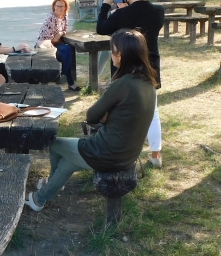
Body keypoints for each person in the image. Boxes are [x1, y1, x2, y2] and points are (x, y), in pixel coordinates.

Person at [24, 29, 157, 211]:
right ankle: (41, 197)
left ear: (121, 54)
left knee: (53, 143)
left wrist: (107, 116)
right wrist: (110, 116)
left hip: (104, 153)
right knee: (68, 163)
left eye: (112, 50)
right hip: (128, 155)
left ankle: (50, 186)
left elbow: (91, 116)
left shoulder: (123, 84)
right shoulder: (148, 82)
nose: (111, 54)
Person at [96, 0, 166, 168]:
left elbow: (102, 28)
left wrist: (106, 5)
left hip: (124, 67)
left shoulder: (122, 14)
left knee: (121, 111)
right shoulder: (158, 11)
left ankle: (123, 152)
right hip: (149, 65)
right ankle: (155, 154)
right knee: (152, 111)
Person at [36, 0, 80, 91]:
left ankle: (63, 75)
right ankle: (69, 81)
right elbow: (48, 39)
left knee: (69, 49)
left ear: (65, 7)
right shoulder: (51, 18)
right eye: (57, 6)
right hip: (45, 45)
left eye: (62, 6)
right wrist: (56, 37)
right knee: (66, 54)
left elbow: (65, 29)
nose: (59, 8)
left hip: (56, 43)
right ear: (54, 6)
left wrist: (60, 33)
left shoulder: (65, 16)